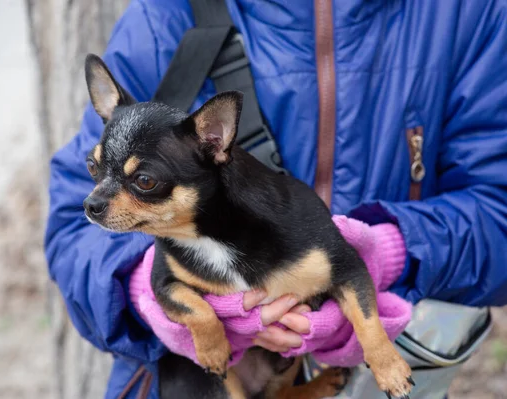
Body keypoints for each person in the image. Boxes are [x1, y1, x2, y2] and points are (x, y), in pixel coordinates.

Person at [44, 0, 507, 398]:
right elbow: (74, 223)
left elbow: (497, 208)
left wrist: (395, 253)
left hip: (384, 368)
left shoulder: (467, 12)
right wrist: (141, 291)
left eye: (141, 181)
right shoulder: (166, 17)